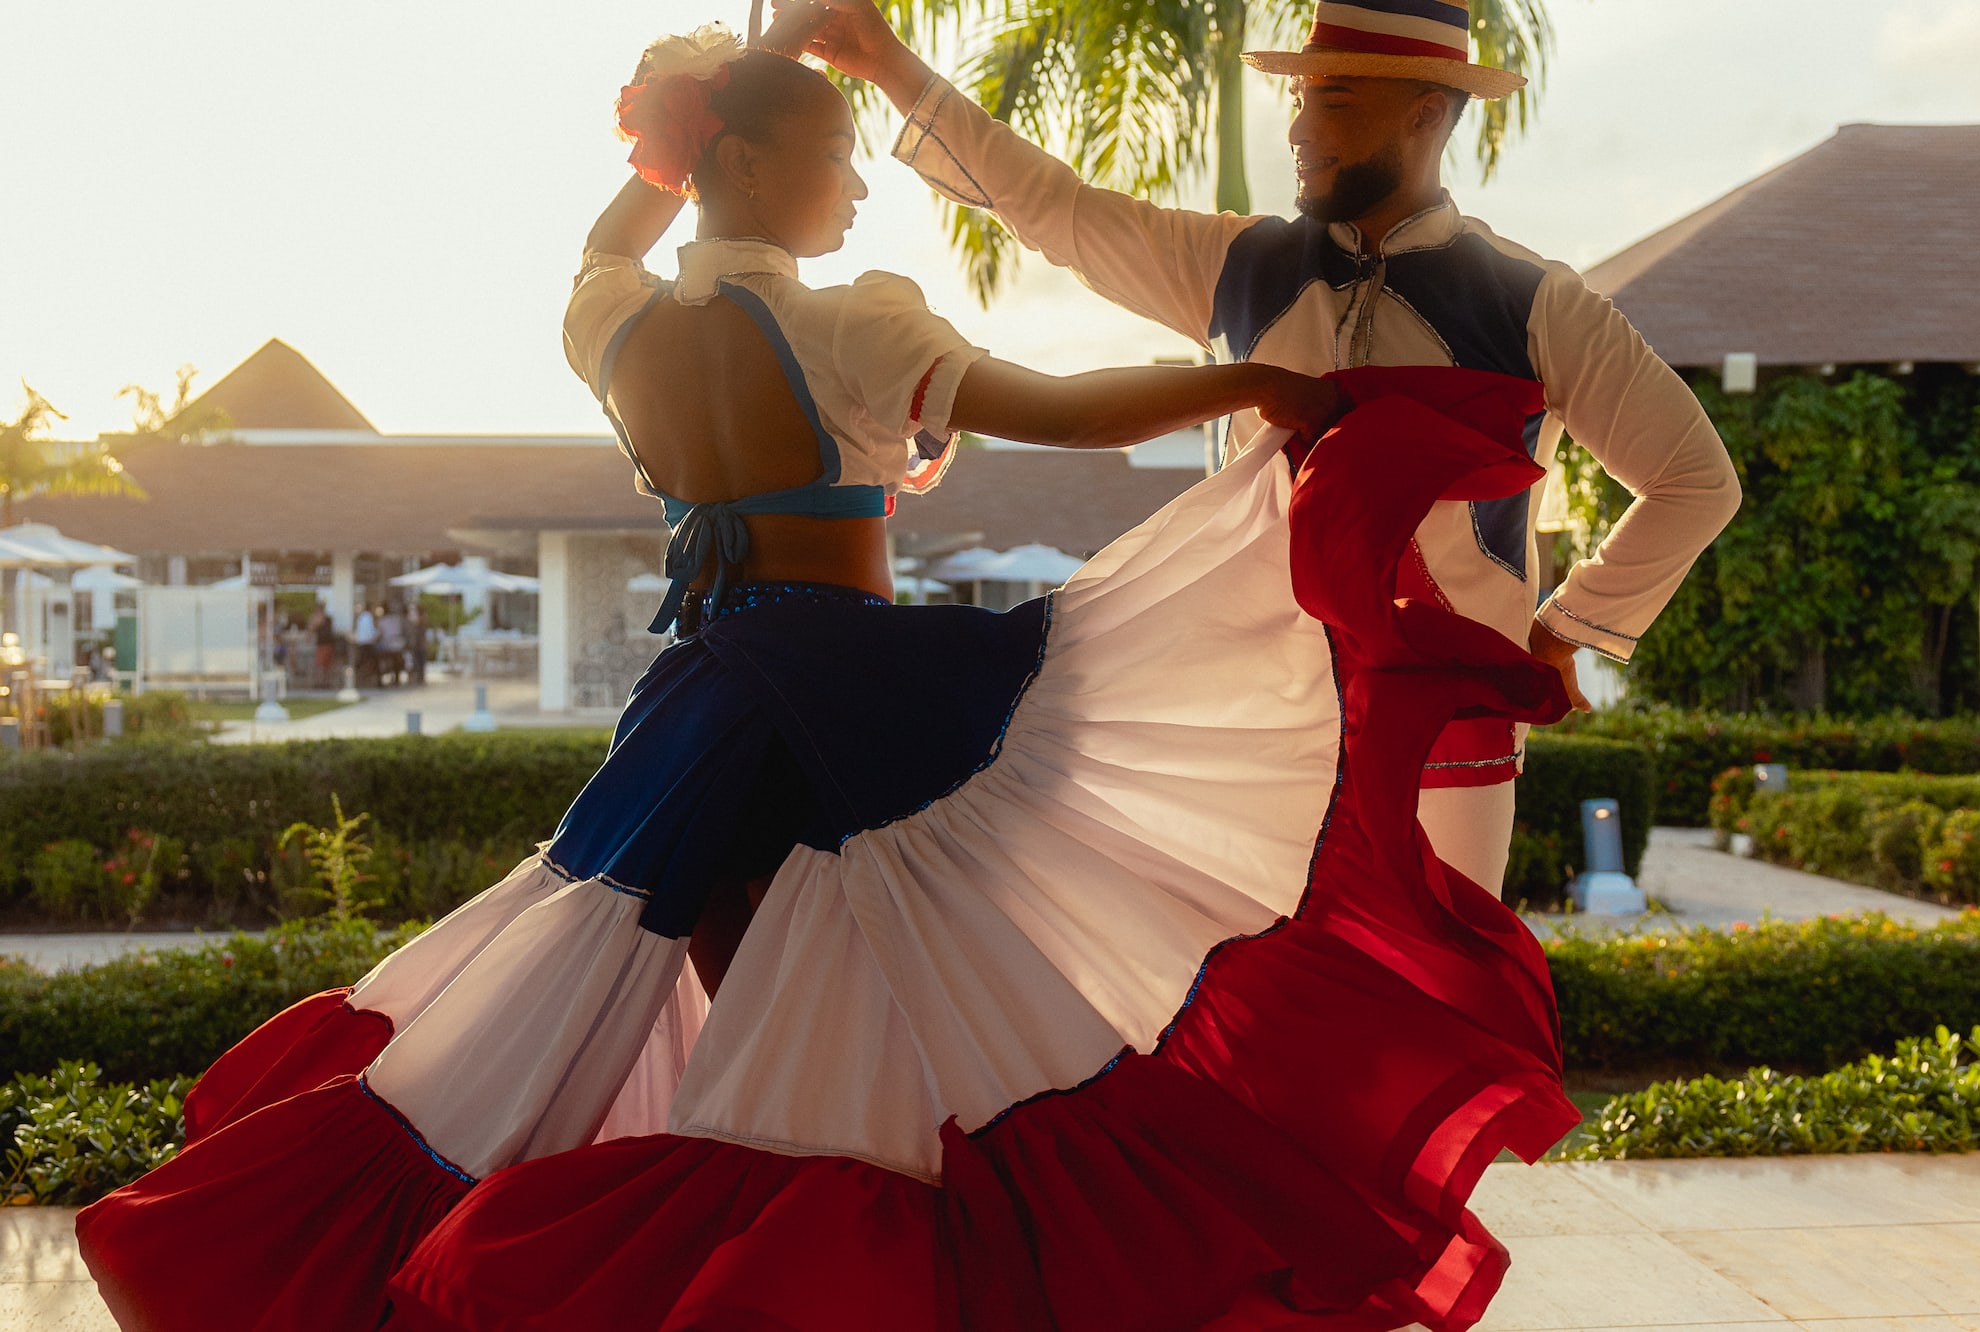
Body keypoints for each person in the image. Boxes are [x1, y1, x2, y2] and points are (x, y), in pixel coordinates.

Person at [77, 24, 1578, 1331]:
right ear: (740, 161)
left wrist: (667, 145)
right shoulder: (850, 315)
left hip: (704, 704)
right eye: (834, 154)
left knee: (760, 1035)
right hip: (868, 705)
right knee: (930, 1041)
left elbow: (607, 246)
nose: (855, 187)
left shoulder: (612, 320)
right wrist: (1255, 385)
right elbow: (1055, 407)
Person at [803, 0, 1741, 895]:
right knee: (1255, 1027)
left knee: (1439, 1018)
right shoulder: (1233, 264)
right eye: (1299, 99)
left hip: (1449, 740)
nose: (1296, 129)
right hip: (1259, 728)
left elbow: (1695, 480)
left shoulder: (1536, 301)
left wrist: (1564, 629)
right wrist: (887, 63)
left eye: (1331, 99)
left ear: (1424, 113)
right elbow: (1053, 209)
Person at [378, 601, 409, 687]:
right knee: (396, 660)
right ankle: (396, 679)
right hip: (398, 644)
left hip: (389, 645)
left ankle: (380, 678)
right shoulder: (396, 619)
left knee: (379, 657)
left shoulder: (383, 621)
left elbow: (380, 634)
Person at [352, 601, 380, 687]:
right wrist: (378, 633)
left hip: (361, 643)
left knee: (360, 662)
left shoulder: (361, 617)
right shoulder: (369, 617)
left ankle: (354, 679)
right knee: (374, 662)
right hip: (368, 644)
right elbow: (371, 632)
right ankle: (379, 682)